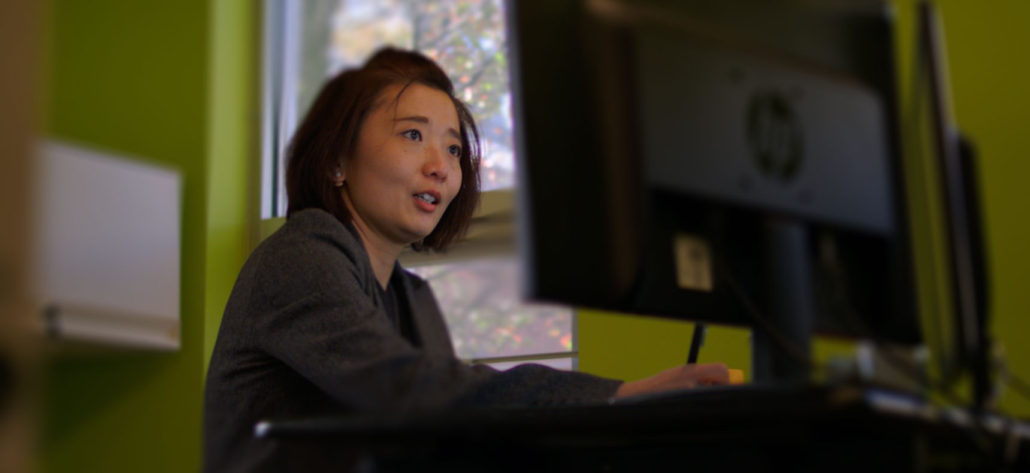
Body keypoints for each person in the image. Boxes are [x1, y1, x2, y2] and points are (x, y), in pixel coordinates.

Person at [203, 47, 731, 472]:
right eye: (413, 135)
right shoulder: (301, 255)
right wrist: (619, 397)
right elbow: (414, 390)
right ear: (337, 161)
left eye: (454, 149)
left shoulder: (411, 296)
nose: (441, 166)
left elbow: (449, 433)